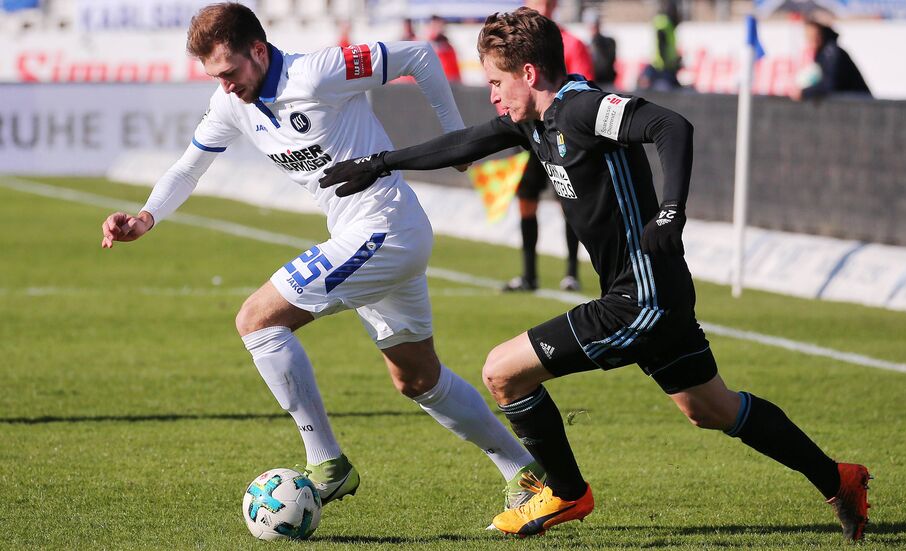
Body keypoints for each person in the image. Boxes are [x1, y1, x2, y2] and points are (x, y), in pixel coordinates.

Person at [318, 7, 872, 541]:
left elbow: (670, 125)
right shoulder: (532, 121)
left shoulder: (581, 108)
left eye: (494, 81)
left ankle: (565, 491)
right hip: (651, 293)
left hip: (642, 297)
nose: (490, 93)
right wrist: (380, 163)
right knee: (711, 408)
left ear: (528, 73)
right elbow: (466, 142)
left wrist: (671, 211)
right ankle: (839, 479)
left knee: (503, 372)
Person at [99, 2, 542, 514]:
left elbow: (418, 54)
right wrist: (145, 217)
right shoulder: (231, 104)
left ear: (258, 51)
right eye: (214, 76)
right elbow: (186, 169)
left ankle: (327, 462)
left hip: (384, 227)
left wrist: (454, 138)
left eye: (230, 72)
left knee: (257, 320)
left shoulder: (317, 72)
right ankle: (524, 472)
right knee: (417, 379)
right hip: (369, 236)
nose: (225, 85)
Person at [504, 0, 594, 293]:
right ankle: (529, 274)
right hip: (528, 136)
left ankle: (571, 272)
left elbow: (583, 87)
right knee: (526, 202)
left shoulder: (570, 43)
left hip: (561, 136)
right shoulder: (513, 44)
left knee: (569, 203)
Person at [791, 17, 871, 100]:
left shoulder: (831, 52)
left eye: (814, 33)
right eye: (808, 34)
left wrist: (804, 92)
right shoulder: (823, 53)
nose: (810, 37)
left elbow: (829, 85)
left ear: (822, 32)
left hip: (859, 106)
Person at [637, 0, 681, 91]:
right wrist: (666, 61)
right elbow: (662, 44)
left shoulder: (666, 23)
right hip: (662, 67)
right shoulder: (664, 23)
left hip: (663, 66)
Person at [585, 8, 617, 90]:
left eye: (595, 25)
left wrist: (596, 41)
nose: (593, 28)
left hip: (606, 82)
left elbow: (606, 63)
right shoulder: (585, 44)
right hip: (593, 83)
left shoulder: (609, 42)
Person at [426, 15, 461, 83]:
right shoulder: (427, 45)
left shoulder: (448, 46)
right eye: (435, 26)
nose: (439, 28)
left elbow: (454, 69)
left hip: (450, 82)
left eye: (440, 26)